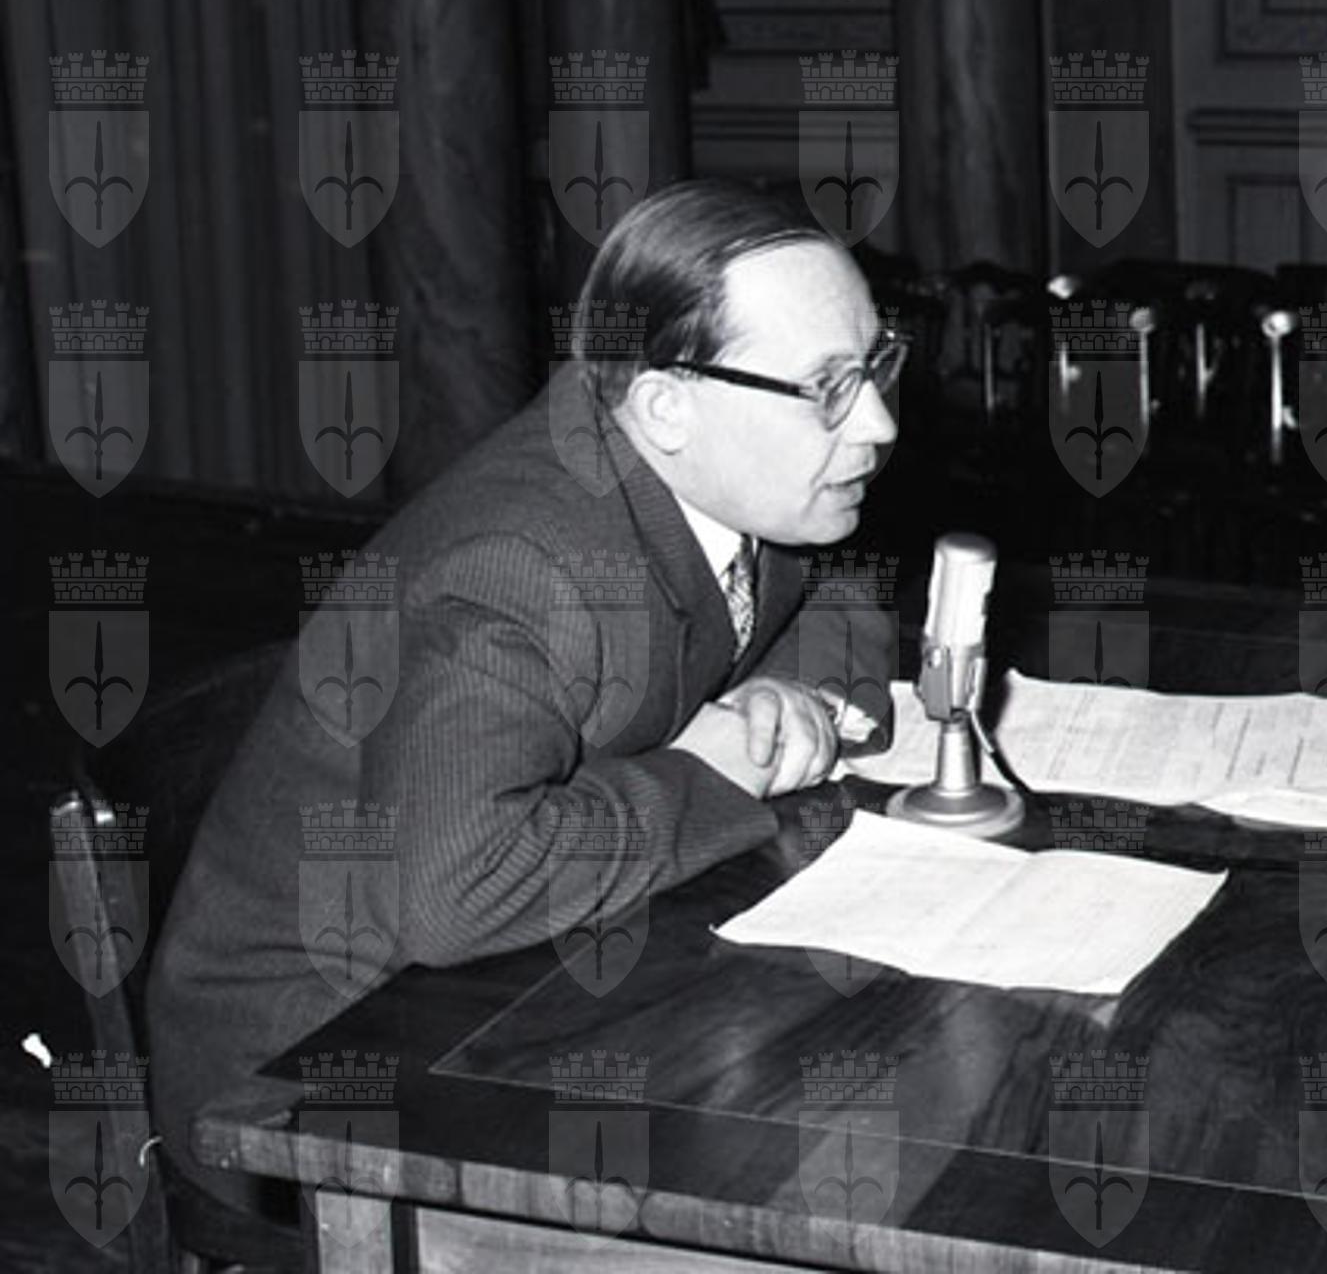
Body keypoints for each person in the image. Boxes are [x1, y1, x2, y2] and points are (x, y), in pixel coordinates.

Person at [147, 181, 904, 1225]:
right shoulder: (521, 566)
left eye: (877, 364)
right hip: (313, 1068)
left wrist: (794, 692)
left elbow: (841, 587)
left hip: (501, 982)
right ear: (667, 403)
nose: (878, 422)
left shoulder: (736, 475)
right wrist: (715, 775)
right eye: (827, 386)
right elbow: (455, 887)